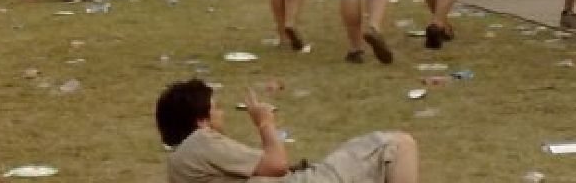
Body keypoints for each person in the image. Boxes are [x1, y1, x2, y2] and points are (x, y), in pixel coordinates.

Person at [156, 79, 420, 183]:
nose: (222, 113)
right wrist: (265, 122)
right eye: (216, 108)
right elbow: (277, 165)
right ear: (201, 121)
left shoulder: (179, 163)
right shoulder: (201, 142)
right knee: (397, 145)